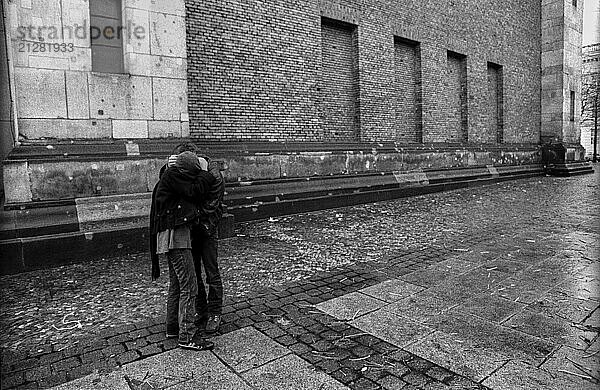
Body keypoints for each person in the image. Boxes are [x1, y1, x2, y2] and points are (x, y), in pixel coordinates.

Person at [149, 151, 216, 351]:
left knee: (177, 284)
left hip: (173, 235)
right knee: (190, 285)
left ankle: (172, 327)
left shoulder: (173, 176)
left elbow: (191, 187)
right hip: (176, 237)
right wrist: (204, 170)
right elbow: (196, 190)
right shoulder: (173, 176)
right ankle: (187, 336)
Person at [167, 143, 225, 336]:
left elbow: (210, 206)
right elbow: (167, 185)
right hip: (192, 228)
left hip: (207, 228)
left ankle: (215, 312)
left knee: (211, 272)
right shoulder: (187, 171)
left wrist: (189, 214)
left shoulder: (214, 175)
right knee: (195, 274)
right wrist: (167, 167)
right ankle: (202, 309)